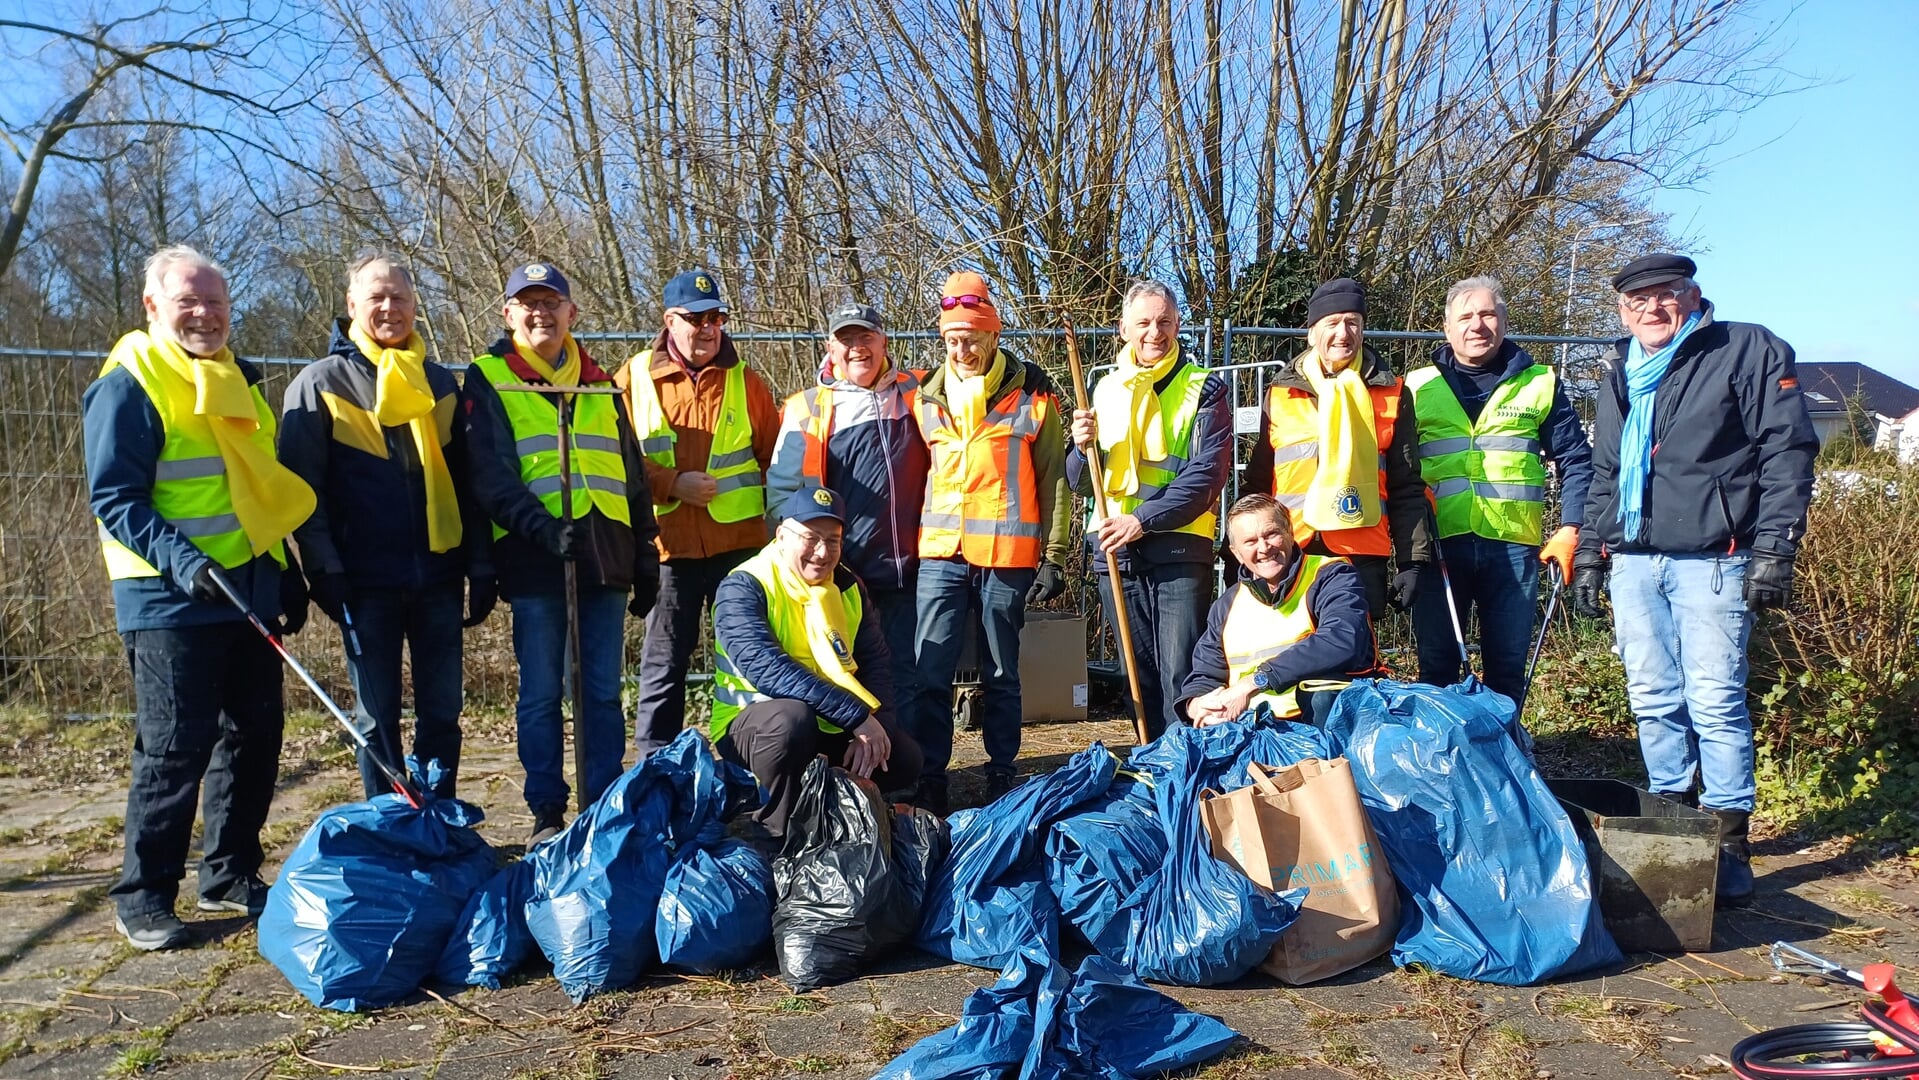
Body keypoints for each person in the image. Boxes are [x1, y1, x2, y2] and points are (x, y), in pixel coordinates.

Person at [84, 245, 315, 949]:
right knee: (174, 747)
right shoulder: (131, 381)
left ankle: (230, 873)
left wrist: (285, 569)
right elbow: (114, 497)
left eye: (215, 302)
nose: (205, 314)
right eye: (188, 300)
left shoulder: (237, 381)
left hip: (246, 587)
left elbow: (250, 489)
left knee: (254, 734)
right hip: (167, 596)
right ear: (153, 306)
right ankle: (144, 894)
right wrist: (185, 562)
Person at [1570, 254, 1815, 905]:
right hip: (1634, 560)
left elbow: (1785, 451)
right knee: (1651, 697)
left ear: (1691, 295)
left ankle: (1730, 844)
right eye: (1636, 301)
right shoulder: (1618, 367)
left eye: (1664, 295)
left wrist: (1773, 549)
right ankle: (1670, 827)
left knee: (1712, 701)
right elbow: (1604, 468)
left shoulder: (1745, 350)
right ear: (1621, 311)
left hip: (1712, 558)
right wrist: (1593, 552)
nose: (1651, 309)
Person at [462, 261, 660, 844]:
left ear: (572, 312)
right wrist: (541, 529)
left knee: (601, 692)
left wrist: (645, 552)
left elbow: (631, 473)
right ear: (508, 314)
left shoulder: (601, 382)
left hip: (606, 556)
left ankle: (602, 804)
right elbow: (488, 476)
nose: (540, 312)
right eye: (527, 303)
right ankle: (547, 810)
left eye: (552, 302)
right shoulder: (489, 377)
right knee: (542, 691)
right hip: (534, 557)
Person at [279, 255, 490, 800]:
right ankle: (387, 826)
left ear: (415, 306)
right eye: (376, 297)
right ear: (352, 306)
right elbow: (301, 493)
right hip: (361, 580)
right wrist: (323, 567)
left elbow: (471, 483)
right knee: (376, 720)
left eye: (399, 297)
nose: (389, 308)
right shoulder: (318, 384)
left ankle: (436, 815)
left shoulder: (441, 384)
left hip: (439, 578)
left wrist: (481, 561)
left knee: (443, 712)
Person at [908, 271, 1071, 811]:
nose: (963, 349)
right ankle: (932, 774)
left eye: (972, 338)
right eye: (953, 339)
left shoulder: (1034, 395)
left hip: (1007, 554)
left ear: (993, 336)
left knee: (1002, 671)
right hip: (940, 553)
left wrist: (1055, 553)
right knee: (930, 670)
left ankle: (1002, 769)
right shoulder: (923, 396)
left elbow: (1053, 478)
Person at [1406, 275, 1593, 707]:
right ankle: (1442, 759)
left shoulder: (1540, 383)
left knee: (1506, 665)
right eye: (1466, 316)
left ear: (1504, 322)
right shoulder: (1415, 387)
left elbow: (1576, 460)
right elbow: (1393, 467)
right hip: (1437, 544)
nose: (1478, 325)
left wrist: (1571, 528)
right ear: (1447, 327)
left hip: (1513, 546)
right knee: (1436, 665)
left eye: (1488, 314)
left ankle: (1504, 754)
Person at [619, 269, 780, 757]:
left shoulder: (746, 381)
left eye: (717, 317)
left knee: (745, 662)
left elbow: (777, 459)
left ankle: (747, 764)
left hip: (741, 550)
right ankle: (656, 768)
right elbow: (615, 458)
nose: (709, 328)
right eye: (696, 318)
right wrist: (671, 484)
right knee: (664, 663)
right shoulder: (634, 378)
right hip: (669, 548)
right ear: (670, 320)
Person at [1066, 280, 1232, 740]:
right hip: (1114, 551)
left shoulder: (1204, 389)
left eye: (1164, 321)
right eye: (1143, 322)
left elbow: (1207, 475)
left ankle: (1186, 765)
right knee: (1133, 675)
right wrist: (1081, 449)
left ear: (1178, 325)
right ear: (1123, 329)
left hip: (1179, 549)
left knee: (1180, 673)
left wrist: (1141, 520)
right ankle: (1152, 762)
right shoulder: (1103, 390)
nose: (1154, 332)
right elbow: (1081, 481)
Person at [711, 488, 923, 844]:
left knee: (902, 758)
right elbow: (767, 669)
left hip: (828, 721)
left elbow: (876, 664)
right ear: (781, 536)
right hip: (753, 724)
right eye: (810, 538)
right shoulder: (744, 585)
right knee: (792, 722)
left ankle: (835, 813)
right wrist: (856, 718)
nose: (822, 552)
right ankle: (773, 834)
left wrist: (877, 728)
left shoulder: (848, 585)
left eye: (833, 540)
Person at [766, 302, 930, 721]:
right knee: (848, 676)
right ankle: (857, 774)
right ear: (830, 348)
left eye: (866, 337)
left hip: (915, 571)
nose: (858, 348)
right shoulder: (806, 408)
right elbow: (782, 497)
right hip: (844, 576)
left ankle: (908, 776)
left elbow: (978, 375)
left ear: (884, 342)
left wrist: (1026, 373)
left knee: (912, 678)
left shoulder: (922, 390)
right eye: (846, 340)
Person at [1243, 277, 1432, 619]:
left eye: (1352, 323)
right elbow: (1259, 481)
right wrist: (1238, 553)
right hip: (1288, 551)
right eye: (1332, 323)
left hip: (1360, 554)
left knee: (1354, 663)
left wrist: (1412, 560)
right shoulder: (1281, 393)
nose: (1342, 333)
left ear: (1363, 330)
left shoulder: (1393, 393)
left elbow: (1406, 485)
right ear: (1311, 332)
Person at [1179, 495, 1378, 729]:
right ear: (1235, 552)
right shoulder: (1226, 604)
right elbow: (1206, 672)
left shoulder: (1331, 576)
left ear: (1290, 533)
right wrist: (1197, 705)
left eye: (1271, 534)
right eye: (1250, 541)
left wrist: (1252, 682)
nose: (1264, 548)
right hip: (1253, 724)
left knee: (1325, 699)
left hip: (1319, 720)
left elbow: (1341, 640)